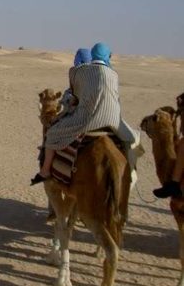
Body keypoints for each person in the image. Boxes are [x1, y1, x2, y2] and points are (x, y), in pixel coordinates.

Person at [32, 43, 137, 184]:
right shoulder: (114, 74)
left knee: (51, 135)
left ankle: (45, 171)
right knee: (133, 140)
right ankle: (131, 176)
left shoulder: (80, 72)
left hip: (89, 119)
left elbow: (75, 98)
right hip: (114, 120)